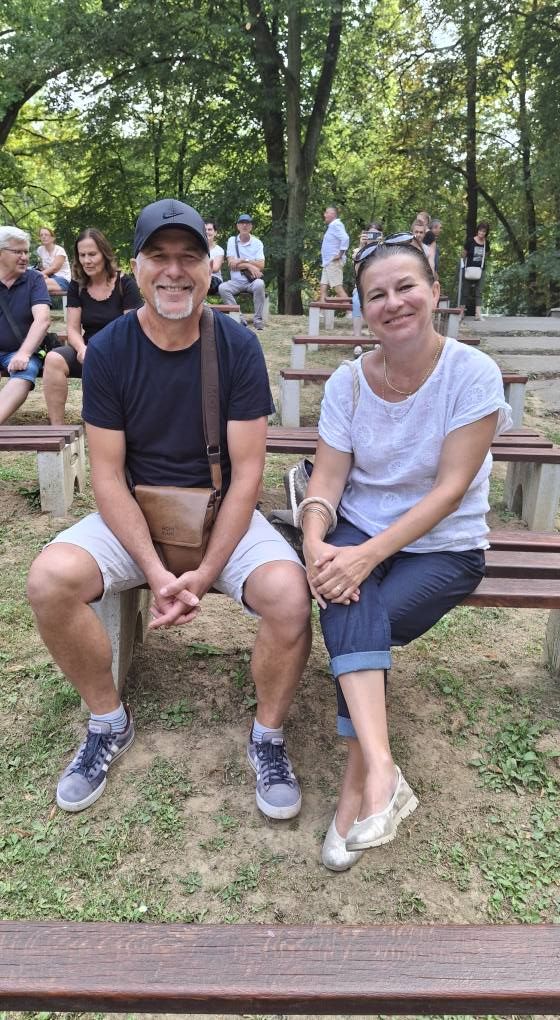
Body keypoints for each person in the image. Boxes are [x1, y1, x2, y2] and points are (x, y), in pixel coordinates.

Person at [27, 198, 310, 819]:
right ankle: (107, 721)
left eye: (189, 257)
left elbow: (248, 476)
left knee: (290, 597)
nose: (174, 271)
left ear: (210, 268)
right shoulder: (110, 351)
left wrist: (204, 574)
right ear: (136, 267)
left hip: (222, 516)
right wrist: (156, 573)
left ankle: (267, 736)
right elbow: (106, 475)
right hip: (135, 515)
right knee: (49, 579)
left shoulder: (237, 347)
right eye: (159, 256)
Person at [299, 233, 511, 872]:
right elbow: (327, 481)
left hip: (445, 546)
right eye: (376, 295)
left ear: (435, 292)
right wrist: (315, 540)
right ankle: (382, 773)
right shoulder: (348, 384)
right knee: (348, 601)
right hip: (356, 530)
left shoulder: (472, 374)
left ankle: (358, 782)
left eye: (405, 287)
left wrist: (361, 558)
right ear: (362, 310)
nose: (392, 303)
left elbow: (450, 490)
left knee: (359, 617)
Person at [42, 228, 143, 424]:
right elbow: (72, 329)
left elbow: (132, 330)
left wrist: (102, 353)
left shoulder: (125, 284)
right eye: (82, 255)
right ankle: (57, 430)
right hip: (88, 350)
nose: (87, 260)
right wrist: (82, 349)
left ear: (104, 254)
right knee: (53, 359)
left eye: (92, 254)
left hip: (120, 352)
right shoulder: (77, 285)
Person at [0, 226, 51, 424]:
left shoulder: (34, 279)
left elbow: (43, 319)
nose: (24, 257)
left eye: (26, 252)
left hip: (21, 351)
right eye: (17, 252)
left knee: (25, 369)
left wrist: (24, 353)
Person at [218, 214, 266, 330]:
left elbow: (261, 265)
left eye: (247, 223)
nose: (244, 225)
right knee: (223, 288)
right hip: (235, 282)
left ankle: (258, 320)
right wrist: (249, 266)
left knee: (260, 284)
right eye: (242, 223)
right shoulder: (232, 240)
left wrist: (243, 260)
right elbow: (231, 264)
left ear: (251, 226)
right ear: (238, 226)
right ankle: (239, 318)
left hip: (252, 281)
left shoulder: (257, 243)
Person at [351, 222, 383, 338]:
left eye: (376, 235)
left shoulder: (385, 250)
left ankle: (376, 337)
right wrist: (361, 247)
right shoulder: (358, 252)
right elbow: (356, 272)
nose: (373, 237)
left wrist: (381, 245)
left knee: (379, 302)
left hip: (379, 287)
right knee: (356, 301)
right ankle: (357, 339)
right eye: (370, 234)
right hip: (362, 288)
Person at [319, 206, 350, 302]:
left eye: (326, 213)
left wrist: (340, 254)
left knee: (337, 288)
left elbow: (345, 238)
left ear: (333, 214)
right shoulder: (332, 226)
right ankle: (322, 308)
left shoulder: (336, 224)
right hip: (328, 262)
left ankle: (349, 309)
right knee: (323, 287)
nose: (324, 215)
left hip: (334, 262)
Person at [463, 221, 490, 320]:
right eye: (480, 230)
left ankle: (477, 314)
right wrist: (463, 267)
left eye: (484, 231)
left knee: (479, 292)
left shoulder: (487, 243)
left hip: (480, 269)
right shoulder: (470, 241)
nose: (482, 233)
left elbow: (486, 255)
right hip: (468, 268)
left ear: (486, 233)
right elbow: (464, 254)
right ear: (477, 231)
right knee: (465, 291)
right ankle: (461, 313)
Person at [36, 227, 72, 294]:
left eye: (46, 235)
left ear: (53, 238)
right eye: (41, 235)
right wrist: (44, 275)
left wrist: (38, 275)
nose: (43, 237)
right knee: (35, 283)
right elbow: (43, 267)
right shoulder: (40, 250)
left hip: (62, 279)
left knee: (37, 283)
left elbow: (54, 268)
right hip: (49, 277)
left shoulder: (59, 250)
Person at [205, 220, 225, 295]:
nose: (207, 232)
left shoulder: (219, 250)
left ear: (215, 232)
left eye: (210, 229)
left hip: (215, 280)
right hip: (199, 278)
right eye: (205, 230)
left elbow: (215, 268)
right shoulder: (197, 248)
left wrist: (197, 265)